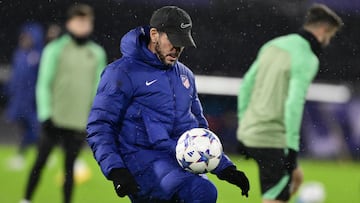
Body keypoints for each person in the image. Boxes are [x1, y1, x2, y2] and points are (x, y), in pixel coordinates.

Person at [87, 6, 249, 203]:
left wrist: (225, 167)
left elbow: (197, 131)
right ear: (154, 34)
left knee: (202, 191)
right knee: (202, 191)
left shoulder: (185, 75)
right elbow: (100, 125)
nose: (178, 48)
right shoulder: (121, 72)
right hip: (141, 169)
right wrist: (116, 170)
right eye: (173, 40)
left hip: (177, 167)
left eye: (182, 42)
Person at [237, 4, 343, 203]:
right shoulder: (308, 58)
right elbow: (294, 104)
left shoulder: (272, 45)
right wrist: (292, 152)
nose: (328, 42)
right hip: (272, 138)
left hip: (250, 132)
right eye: (330, 36)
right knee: (275, 197)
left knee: (296, 178)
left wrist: (243, 126)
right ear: (323, 31)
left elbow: (246, 87)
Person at [20, 4, 106, 203]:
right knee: (39, 162)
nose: (84, 26)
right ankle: (25, 199)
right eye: (80, 21)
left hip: (78, 122)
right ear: (70, 23)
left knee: (69, 168)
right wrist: (45, 114)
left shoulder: (97, 53)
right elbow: (43, 84)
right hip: (54, 118)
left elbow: (97, 89)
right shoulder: (54, 49)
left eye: (87, 22)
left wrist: (92, 118)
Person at [6, 22, 44, 170]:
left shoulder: (38, 55)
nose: (23, 39)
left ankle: (23, 155)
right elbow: (15, 78)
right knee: (24, 128)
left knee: (33, 129)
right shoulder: (19, 54)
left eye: (27, 37)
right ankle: (38, 153)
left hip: (32, 101)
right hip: (19, 100)